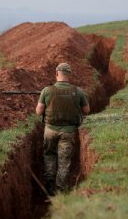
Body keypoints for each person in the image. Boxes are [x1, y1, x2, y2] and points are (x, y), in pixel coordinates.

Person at [36, 62, 90, 196]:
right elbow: (86, 110)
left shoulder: (47, 90)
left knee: (49, 155)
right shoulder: (78, 91)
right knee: (64, 160)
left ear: (56, 73)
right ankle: (60, 190)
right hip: (68, 132)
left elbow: (39, 111)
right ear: (69, 74)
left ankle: (49, 184)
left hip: (49, 131)